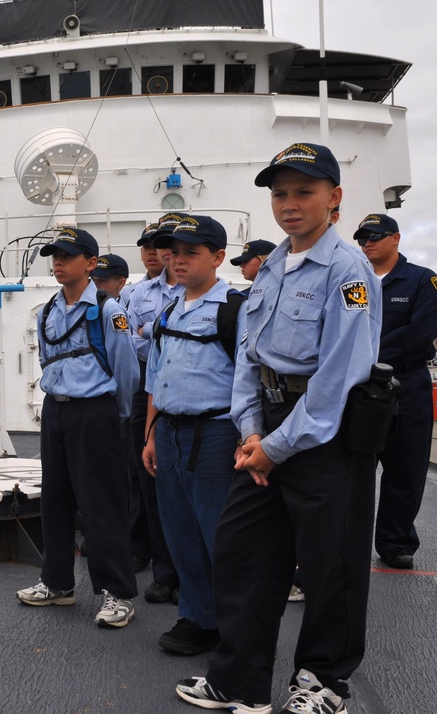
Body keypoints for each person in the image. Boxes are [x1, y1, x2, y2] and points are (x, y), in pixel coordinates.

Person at [176, 143, 381, 714]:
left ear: (334, 198)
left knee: (330, 564)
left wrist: (276, 446)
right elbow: (249, 352)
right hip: (263, 425)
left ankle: (323, 684)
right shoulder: (270, 266)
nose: (289, 204)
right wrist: (249, 427)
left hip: (323, 435)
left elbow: (340, 375)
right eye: (280, 193)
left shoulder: (348, 271)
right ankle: (239, 679)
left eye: (304, 191)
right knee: (243, 551)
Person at [17, 227, 139, 628]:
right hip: (56, 411)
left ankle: (117, 593)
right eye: (54, 256)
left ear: (90, 263)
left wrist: (113, 415)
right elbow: (47, 361)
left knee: (101, 505)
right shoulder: (47, 311)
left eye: (67, 256)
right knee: (54, 499)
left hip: (94, 413)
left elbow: (126, 369)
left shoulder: (108, 310)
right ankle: (57, 584)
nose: (58, 262)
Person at [141, 215, 246, 655]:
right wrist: (149, 435)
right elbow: (155, 378)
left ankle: (236, 627)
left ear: (218, 257)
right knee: (179, 532)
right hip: (169, 432)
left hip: (217, 434)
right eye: (174, 252)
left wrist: (248, 436)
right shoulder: (168, 310)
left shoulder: (236, 308)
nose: (178, 260)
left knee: (219, 536)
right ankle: (198, 618)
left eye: (191, 252)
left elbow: (251, 378)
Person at [355, 213, 437, 570]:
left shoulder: (424, 280)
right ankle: (348, 537)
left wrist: (366, 352)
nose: (368, 242)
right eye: (363, 237)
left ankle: (395, 543)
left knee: (405, 465)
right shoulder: (354, 281)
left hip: (406, 383)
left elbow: (420, 331)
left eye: (376, 235)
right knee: (355, 466)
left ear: (395, 238)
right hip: (360, 386)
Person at [121, 216, 184, 603]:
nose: (163, 251)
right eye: (159, 244)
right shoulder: (136, 295)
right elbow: (129, 342)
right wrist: (154, 338)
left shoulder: (220, 297)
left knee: (189, 490)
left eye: (173, 245)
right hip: (147, 389)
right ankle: (163, 570)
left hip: (193, 395)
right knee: (148, 481)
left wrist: (151, 335)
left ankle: (193, 574)